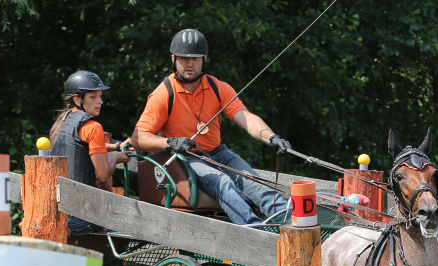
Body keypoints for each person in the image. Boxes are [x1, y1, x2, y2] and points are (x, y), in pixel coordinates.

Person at [131, 29, 290, 225]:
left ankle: (293, 225)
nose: (190, 63)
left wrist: (271, 137)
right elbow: (138, 138)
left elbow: (246, 117)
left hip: (218, 153)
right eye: (183, 58)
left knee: (256, 185)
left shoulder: (218, 87)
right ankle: (257, 233)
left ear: (204, 59)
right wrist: (171, 142)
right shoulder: (163, 94)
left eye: (195, 58)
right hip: (186, 157)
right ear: (173, 59)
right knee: (222, 183)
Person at [50, 70, 131, 234]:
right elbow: (102, 175)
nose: (100, 101)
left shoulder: (64, 120)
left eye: (100, 96)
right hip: (80, 217)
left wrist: (117, 146)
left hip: (59, 209)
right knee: (127, 213)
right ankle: (114, 258)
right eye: (93, 97)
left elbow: (82, 145)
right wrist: (116, 159)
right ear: (77, 99)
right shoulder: (93, 127)